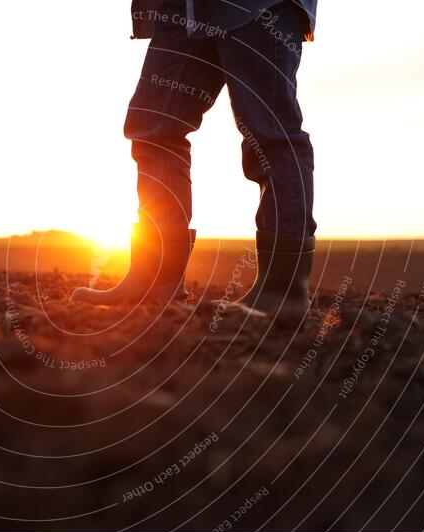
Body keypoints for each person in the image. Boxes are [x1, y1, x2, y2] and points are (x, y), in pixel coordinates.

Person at [71, 0, 318, 316]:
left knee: (270, 131)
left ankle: (282, 291)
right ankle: (155, 278)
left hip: (256, 6)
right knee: (154, 125)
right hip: (185, 7)